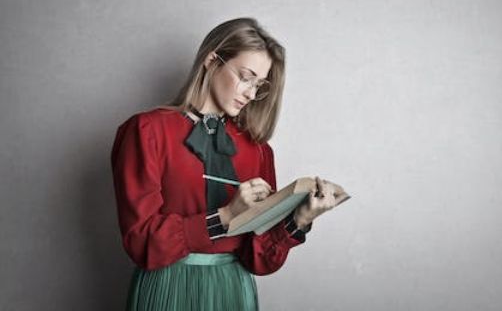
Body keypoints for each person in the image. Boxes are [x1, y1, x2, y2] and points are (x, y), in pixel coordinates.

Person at [110, 17, 337, 310]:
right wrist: (227, 216)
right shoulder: (146, 131)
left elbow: (258, 260)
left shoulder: (258, 151)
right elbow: (141, 243)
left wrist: (300, 219)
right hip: (168, 287)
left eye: (259, 85)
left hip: (233, 288)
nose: (251, 94)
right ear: (211, 60)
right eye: (246, 77)